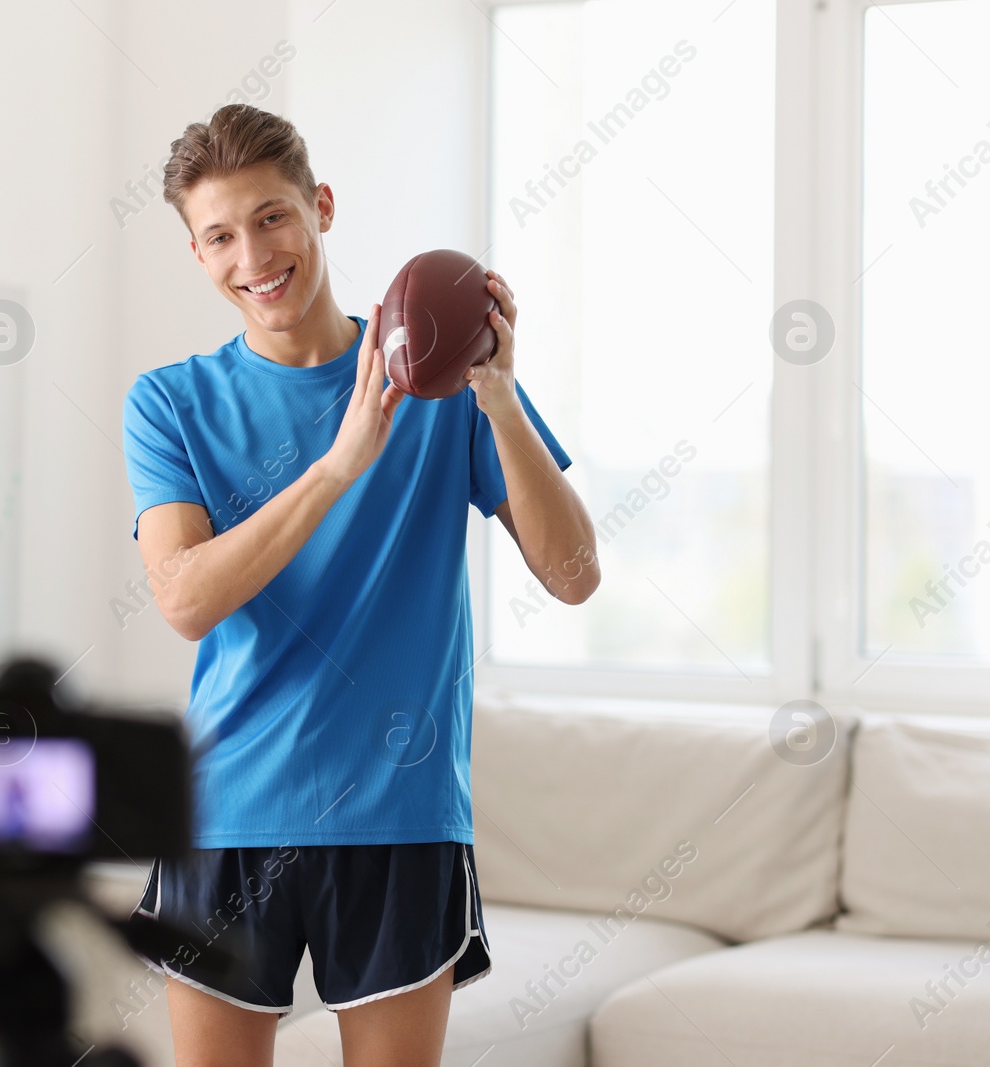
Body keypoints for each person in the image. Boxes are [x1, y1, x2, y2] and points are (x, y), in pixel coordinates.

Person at [120, 103, 599, 1067]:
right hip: (226, 811)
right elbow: (183, 598)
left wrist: (497, 394)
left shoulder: (445, 382)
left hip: (400, 812)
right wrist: (336, 467)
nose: (252, 254)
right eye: (219, 235)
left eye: (272, 217)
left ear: (321, 208)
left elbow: (575, 576)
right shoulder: (169, 401)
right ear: (196, 253)